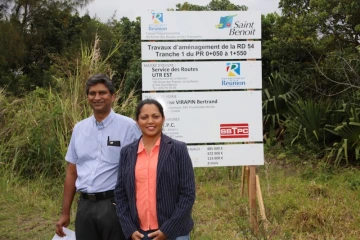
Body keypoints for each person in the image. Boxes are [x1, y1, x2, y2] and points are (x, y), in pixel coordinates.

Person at [55, 74, 141, 240]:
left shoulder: (129, 127)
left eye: (102, 93)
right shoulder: (79, 129)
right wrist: (65, 213)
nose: (97, 97)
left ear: (112, 96)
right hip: (85, 206)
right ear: (87, 97)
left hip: (114, 205)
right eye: (92, 93)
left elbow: (141, 169)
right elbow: (72, 172)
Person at [114, 99, 196, 240]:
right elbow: (120, 193)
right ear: (137, 121)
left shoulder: (178, 149)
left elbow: (187, 194)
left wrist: (168, 230)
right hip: (138, 234)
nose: (150, 121)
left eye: (155, 116)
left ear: (163, 119)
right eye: (144, 117)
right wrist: (129, 228)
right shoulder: (127, 152)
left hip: (174, 233)